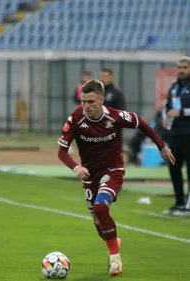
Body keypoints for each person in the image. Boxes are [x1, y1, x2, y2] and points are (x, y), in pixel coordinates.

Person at [57, 79, 175, 276]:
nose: (86, 106)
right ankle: (113, 242)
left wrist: (161, 146)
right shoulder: (75, 119)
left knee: (100, 207)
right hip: (89, 174)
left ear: (101, 100)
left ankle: (115, 260)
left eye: (91, 102)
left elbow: (141, 123)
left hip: (112, 170)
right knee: (98, 221)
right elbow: (62, 152)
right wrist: (76, 167)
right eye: (83, 101)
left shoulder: (115, 116)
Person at [162, 56, 190, 215]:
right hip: (176, 133)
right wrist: (166, 118)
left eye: (185, 67)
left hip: (189, 133)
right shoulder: (174, 87)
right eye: (179, 67)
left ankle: (188, 205)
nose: (181, 70)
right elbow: (167, 107)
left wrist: (181, 112)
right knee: (174, 167)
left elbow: (180, 110)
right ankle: (179, 202)